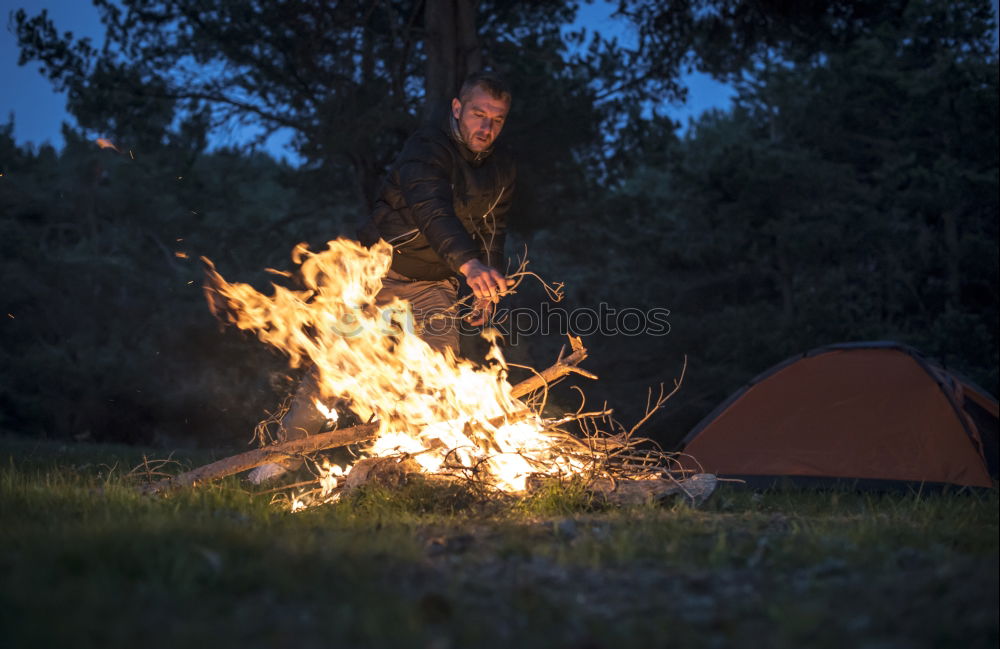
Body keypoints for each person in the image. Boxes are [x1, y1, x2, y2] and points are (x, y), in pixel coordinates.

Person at [247, 71, 516, 484]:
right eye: (479, 114)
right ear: (458, 109)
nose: (486, 126)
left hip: (434, 285)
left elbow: (493, 226)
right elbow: (432, 210)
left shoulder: (500, 169)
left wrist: (487, 279)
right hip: (377, 277)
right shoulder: (425, 149)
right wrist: (470, 265)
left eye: (496, 119)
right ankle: (279, 460)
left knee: (441, 374)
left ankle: (426, 467)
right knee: (330, 371)